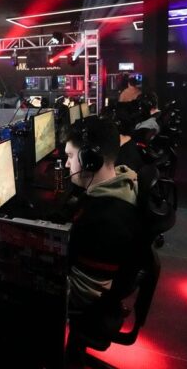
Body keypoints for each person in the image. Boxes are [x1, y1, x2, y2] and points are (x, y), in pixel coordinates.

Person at [60, 117, 140, 343]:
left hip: (85, 304)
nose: (66, 165)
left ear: (90, 160)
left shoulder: (106, 218)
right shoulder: (124, 182)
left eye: (70, 156)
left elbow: (84, 292)